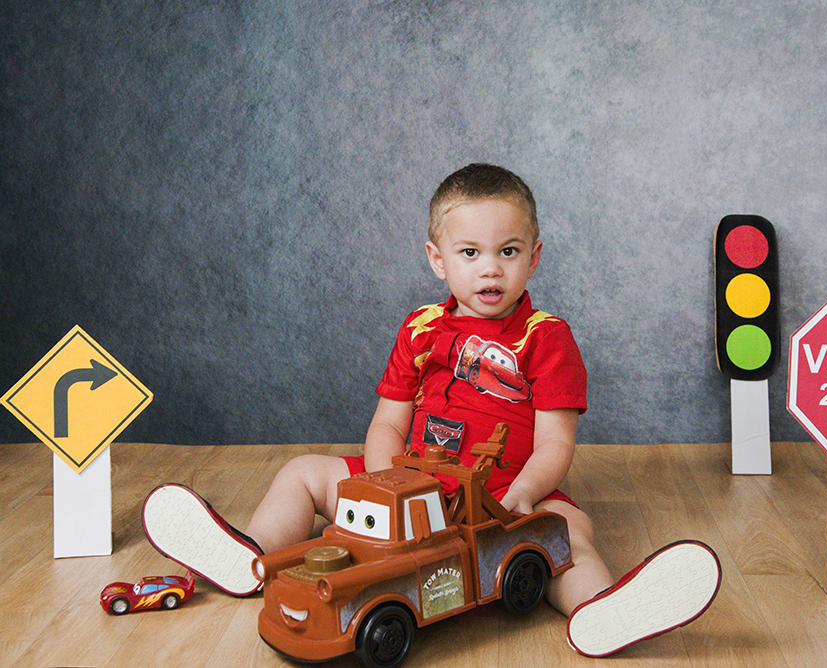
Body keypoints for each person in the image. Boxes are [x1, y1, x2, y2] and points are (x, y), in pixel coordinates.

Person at [142, 163, 721, 657]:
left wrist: (520, 495)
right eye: (470, 252)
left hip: (499, 494)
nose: (490, 268)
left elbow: (555, 444)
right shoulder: (421, 328)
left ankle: (600, 610)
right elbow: (389, 422)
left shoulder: (547, 338)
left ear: (535, 258)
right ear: (438, 259)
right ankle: (253, 557)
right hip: (406, 490)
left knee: (570, 530)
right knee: (301, 472)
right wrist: (379, 482)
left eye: (508, 251)